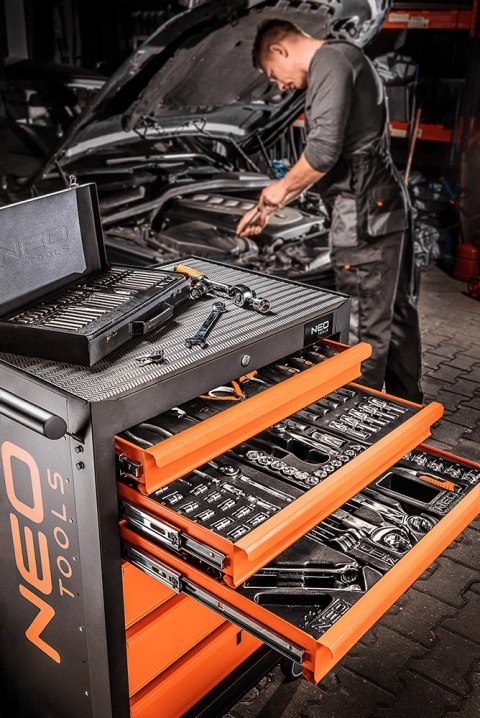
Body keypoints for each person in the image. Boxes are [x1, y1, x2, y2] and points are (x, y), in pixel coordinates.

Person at [236, 19, 423, 404]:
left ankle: (358, 421)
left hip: (363, 211)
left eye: (273, 75)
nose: (280, 86)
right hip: (383, 202)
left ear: (279, 50)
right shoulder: (344, 57)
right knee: (396, 311)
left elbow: (322, 152)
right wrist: (275, 204)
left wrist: (277, 191)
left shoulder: (329, 61)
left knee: (362, 327)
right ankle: (406, 404)